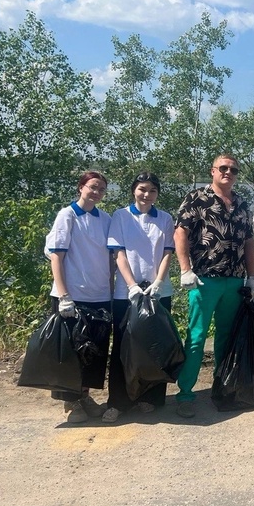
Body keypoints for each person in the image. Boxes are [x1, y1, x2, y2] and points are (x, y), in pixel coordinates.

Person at [174, 154, 254, 418]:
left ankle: (221, 387)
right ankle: (185, 393)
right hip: (204, 279)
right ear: (213, 171)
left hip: (234, 280)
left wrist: (252, 277)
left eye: (233, 169)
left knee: (225, 338)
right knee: (197, 338)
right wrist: (185, 269)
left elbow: (249, 243)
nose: (228, 172)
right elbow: (180, 233)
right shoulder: (196, 198)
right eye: (223, 168)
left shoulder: (242, 204)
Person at [103, 172, 174, 423]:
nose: (147, 194)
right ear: (134, 190)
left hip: (158, 292)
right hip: (127, 294)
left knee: (155, 346)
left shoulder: (165, 218)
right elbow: (118, 253)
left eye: (152, 190)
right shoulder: (121, 216)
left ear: (157, 194)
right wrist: (131, 285)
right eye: (142, 189)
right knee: (123, 347)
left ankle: (149, 398)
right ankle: (119, 401)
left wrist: (157, 283)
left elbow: (167, 253)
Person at [45, 171, 112, 424]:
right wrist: (63, 295)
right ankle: (71, 403)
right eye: (93, 187)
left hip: (100, 296)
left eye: (101, 189)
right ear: (81, 187)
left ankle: (84, 396)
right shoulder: (68, 215)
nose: (96, 192)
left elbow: (110, 258)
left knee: (93, 352)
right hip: (73, 296)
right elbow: (56, 256)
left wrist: (111, 288)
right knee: (71, 352)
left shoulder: (104, 219)